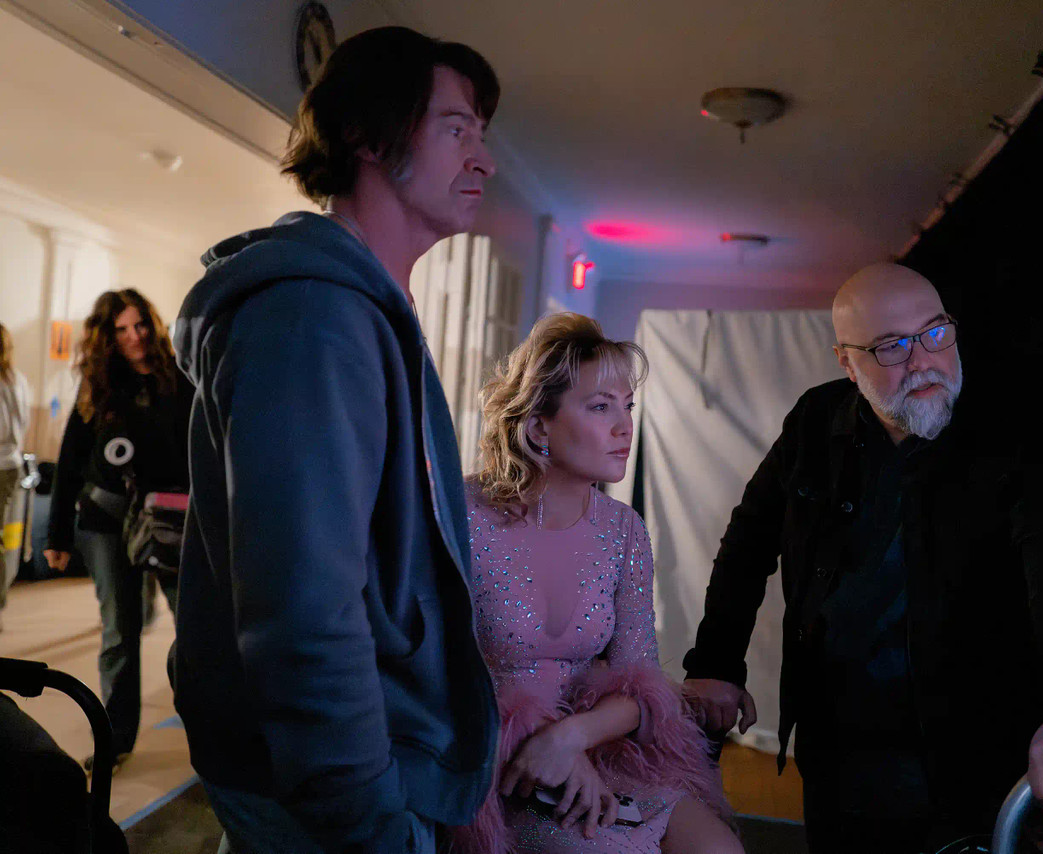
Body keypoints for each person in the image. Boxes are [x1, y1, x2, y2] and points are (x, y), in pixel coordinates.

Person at [170, 27, 501, 854]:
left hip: (361, 767)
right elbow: (303, 608)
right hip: (338, 791)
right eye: (456, 128)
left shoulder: (360, 310)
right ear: (365, 136)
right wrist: (364, 813)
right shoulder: (314, 318)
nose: (485, 161)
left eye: (481, 135)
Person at [682, 263, 1043, 853]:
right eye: (890, 346)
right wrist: (715, 662)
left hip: (969, 756)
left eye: (935, 333)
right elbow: (748, 540)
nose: (922, 362)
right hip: (835, 750)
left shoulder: (1021, 426)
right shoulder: (815, 420)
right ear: (847, 362)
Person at [456, 312, 740, 854]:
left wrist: (571, 737)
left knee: (719, 849)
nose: (625, 427)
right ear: (539, 427)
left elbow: (643, 684)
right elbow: (433, 672)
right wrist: (542, 744)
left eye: (627, 406)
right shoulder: (462, 512)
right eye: (600, 406)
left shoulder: (623, 530)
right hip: (494, 763)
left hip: (600, 750)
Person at [43, 289, 193, 772]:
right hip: (105, 523)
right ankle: (116, 739)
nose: (134, 337)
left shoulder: (182, 379)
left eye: (140, 325)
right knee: (119, 633)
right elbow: (70, 464)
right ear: (107, 337)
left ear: (154, 325)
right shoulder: (100, 387)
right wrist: (57, 537)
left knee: (194, 627)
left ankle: (207, 725)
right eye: (122, 329)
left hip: (169, 521)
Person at [0, 322, 32, 631]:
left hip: (2, 466)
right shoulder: (17, 380)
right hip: (12, 464)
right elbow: (21, 425)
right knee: (5, 539)